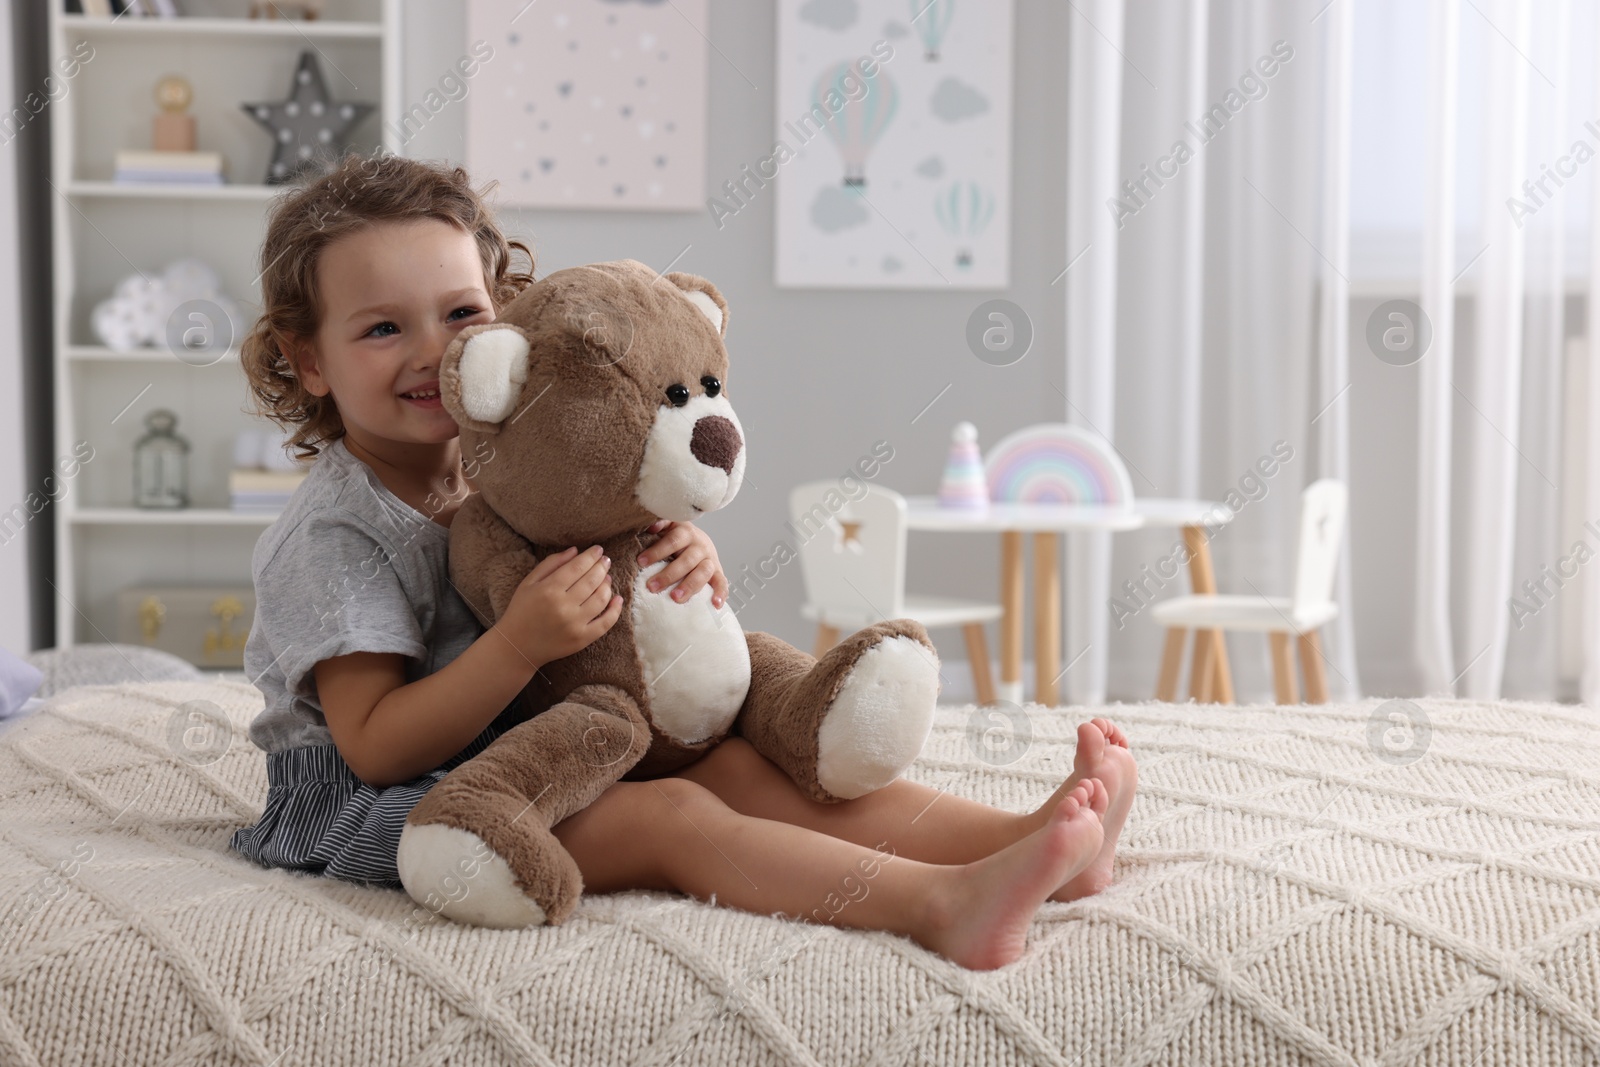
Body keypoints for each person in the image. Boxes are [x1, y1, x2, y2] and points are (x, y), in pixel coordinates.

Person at [230, 152, 1138, 971]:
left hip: (531, 741)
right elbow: (377, 745)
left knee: (745, 769)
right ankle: (939, 905)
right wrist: (519, 644)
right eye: (382, 329)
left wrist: (671, 556)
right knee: (673, 815)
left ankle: (1027, 841)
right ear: (307, 360)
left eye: (461, 313)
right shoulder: (335, 535)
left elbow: (601, 561)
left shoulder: (507, 470)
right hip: (378, 804)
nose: (432, 351)